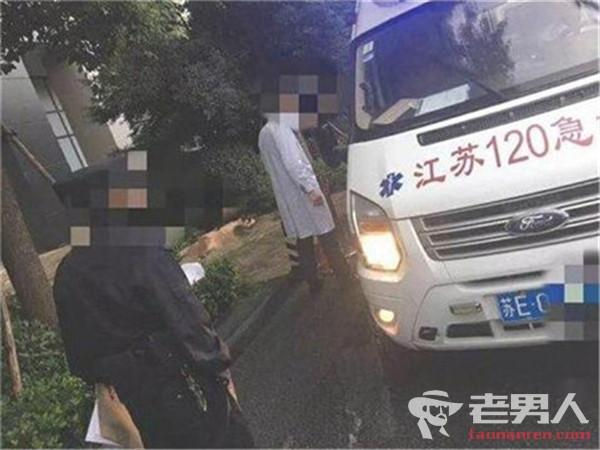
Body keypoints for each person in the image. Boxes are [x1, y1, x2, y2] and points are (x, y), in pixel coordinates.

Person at [52, 152, 254, 448]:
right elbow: (187, 320)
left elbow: (79, 359)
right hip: (179, 386)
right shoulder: (141, 252)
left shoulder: (67, 273)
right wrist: (219, 367)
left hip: (127, 402)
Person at [258, 112, 350, 293]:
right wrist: (310, 189)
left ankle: (313, 282)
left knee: (304, 238)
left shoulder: (264, 133)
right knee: (327, 234)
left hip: (289, 197)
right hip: (303, 193)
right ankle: (346, 278)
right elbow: (294, 164)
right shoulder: (281, 128)